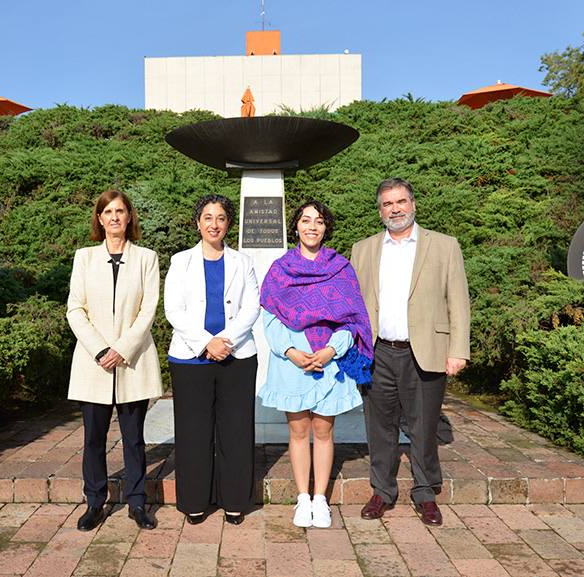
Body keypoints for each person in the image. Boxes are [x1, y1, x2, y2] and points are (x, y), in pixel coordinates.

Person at [349, 178, 471, 527]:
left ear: (413, 204)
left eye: (401, 201)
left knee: (423, 426)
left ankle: (426, 492)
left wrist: (457, 350)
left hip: (426, 351)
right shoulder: (364, 249)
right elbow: (354, 305)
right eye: (388, 204)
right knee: (380, 427)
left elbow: (458, 302)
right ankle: (383, 491)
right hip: (378, 352)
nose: (395, 209)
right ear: (380, 210)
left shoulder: (444, 246)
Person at [259, 200, 373, 528]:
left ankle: (320, 498)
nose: (312, 226)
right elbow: (270, 316)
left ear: (326, 228)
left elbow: (353, 319)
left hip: (329, 364)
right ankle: (302, 499)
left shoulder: (341, 268)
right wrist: (292, 351)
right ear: (295, 226)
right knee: (298, 431)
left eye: (319, 221)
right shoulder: (281, 269)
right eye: (306, 220)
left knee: (323, 430)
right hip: (292, 363)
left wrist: (332, 350)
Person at [66, 190, 162, 532]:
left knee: (134, 438)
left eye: (120, 211)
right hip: (94, 364)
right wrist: (100, 349)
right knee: (93, 439)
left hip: (132, 361)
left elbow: (148, 309)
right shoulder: (85, 258)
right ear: (100, 219)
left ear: (129, 217)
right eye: (108, 212)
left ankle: (137, 503)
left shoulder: (147, 258)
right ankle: (95, 502)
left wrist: (122, 348)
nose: (115, 217)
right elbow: (75, 308)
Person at [164, 194, 261, 525]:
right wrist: (207, 342)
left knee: (236, 431)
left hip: (237, 358)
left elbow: (251, 306)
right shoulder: (180, 262)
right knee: (194, 433)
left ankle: (235, 501)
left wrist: (226, 341)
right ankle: (194, 501)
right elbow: (173, 309)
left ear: (228, 223)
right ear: (198, 223)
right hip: (190, 360)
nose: (214, 224)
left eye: (220, 218)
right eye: (207, 217)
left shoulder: (243, 262)